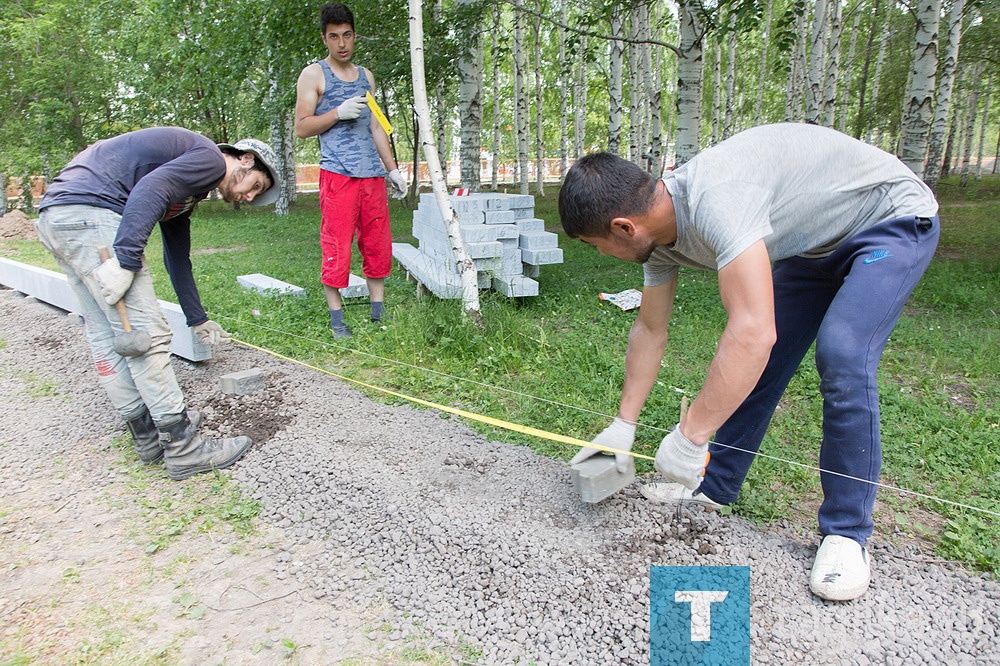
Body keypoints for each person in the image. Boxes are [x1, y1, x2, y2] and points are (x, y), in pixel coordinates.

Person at [559, 123, 940, 601]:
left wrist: (690, 434)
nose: (603, 254)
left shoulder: (719, 202)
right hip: (812, 244)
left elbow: (752, 332)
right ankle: (715, 486)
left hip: (889, 219)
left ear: (623, 227)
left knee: (841, 352)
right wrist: (623, 425)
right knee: (759, 362)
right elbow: (650, 329)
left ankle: (847, 533)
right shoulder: (658, 239)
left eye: (597, 245)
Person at [35, 127, 281, 480]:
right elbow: (149, 190)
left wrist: (198, 319)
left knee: (109, 335)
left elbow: (177, 257)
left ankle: (148, 435)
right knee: (147, 337)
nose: (247, 196)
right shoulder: (210, 159)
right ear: (245, 158)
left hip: (59, 216)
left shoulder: (188, 186)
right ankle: (184, 447)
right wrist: (126, 259)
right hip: (92, 214)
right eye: (255, 185)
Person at [294, 1, 406, 339]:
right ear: (324, 39)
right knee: (337, 246)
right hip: (338, 175)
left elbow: (376, 127)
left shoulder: (366, 76)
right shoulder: (314, 74)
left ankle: (377, 316)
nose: (341, 43)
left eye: (347, 36)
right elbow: (301, 127)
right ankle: (337, 320)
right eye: (333, 37)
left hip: (371, 177)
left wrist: (392, 170)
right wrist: (336, 113)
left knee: (377, 245)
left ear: (355, 36)